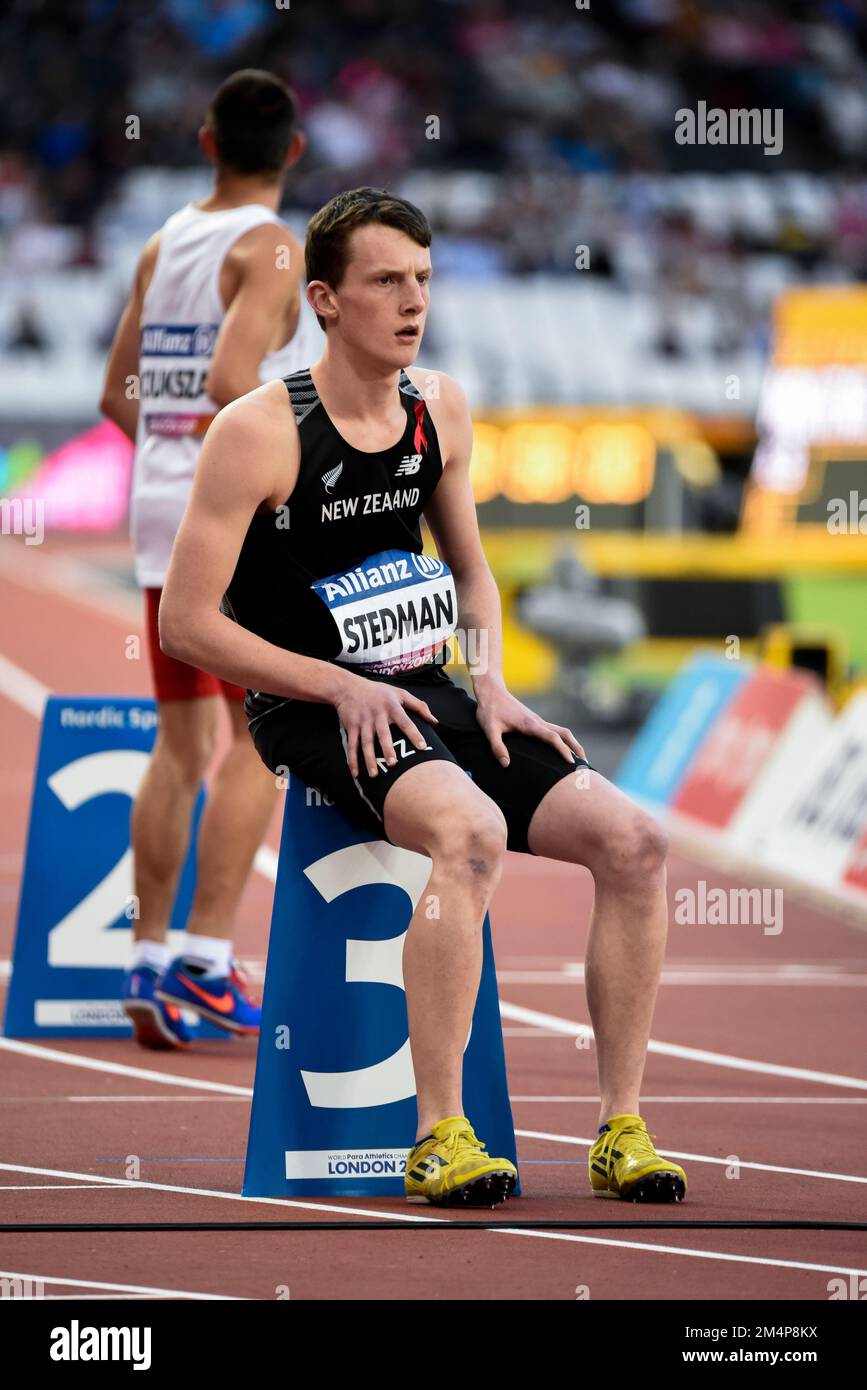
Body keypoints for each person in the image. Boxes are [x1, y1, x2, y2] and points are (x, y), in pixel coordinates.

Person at [159, 186, 688, 1207]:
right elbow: (189, 624)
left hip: (431, 687)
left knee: (636, 840)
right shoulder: (257, 431)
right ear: (324, 298)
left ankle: (621, 1126)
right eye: (387, 281)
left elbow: (473, 569)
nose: (413, 302)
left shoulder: (437, 408)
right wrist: (332, 684)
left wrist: (491, 680)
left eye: (425, 280)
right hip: (311, 705)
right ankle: (441, 1133)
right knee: (472, 830)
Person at [100, 70, 317, 1049]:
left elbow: (117, 394)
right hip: (224, 521)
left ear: (204, 141)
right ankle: (207, 956)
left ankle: (147, 958)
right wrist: (279, 463)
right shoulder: (273, 243)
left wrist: (174, 455)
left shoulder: (164, 241)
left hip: (157, 510)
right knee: (260, 743)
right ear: (296, 151)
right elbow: (236, 378)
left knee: (182, 745)